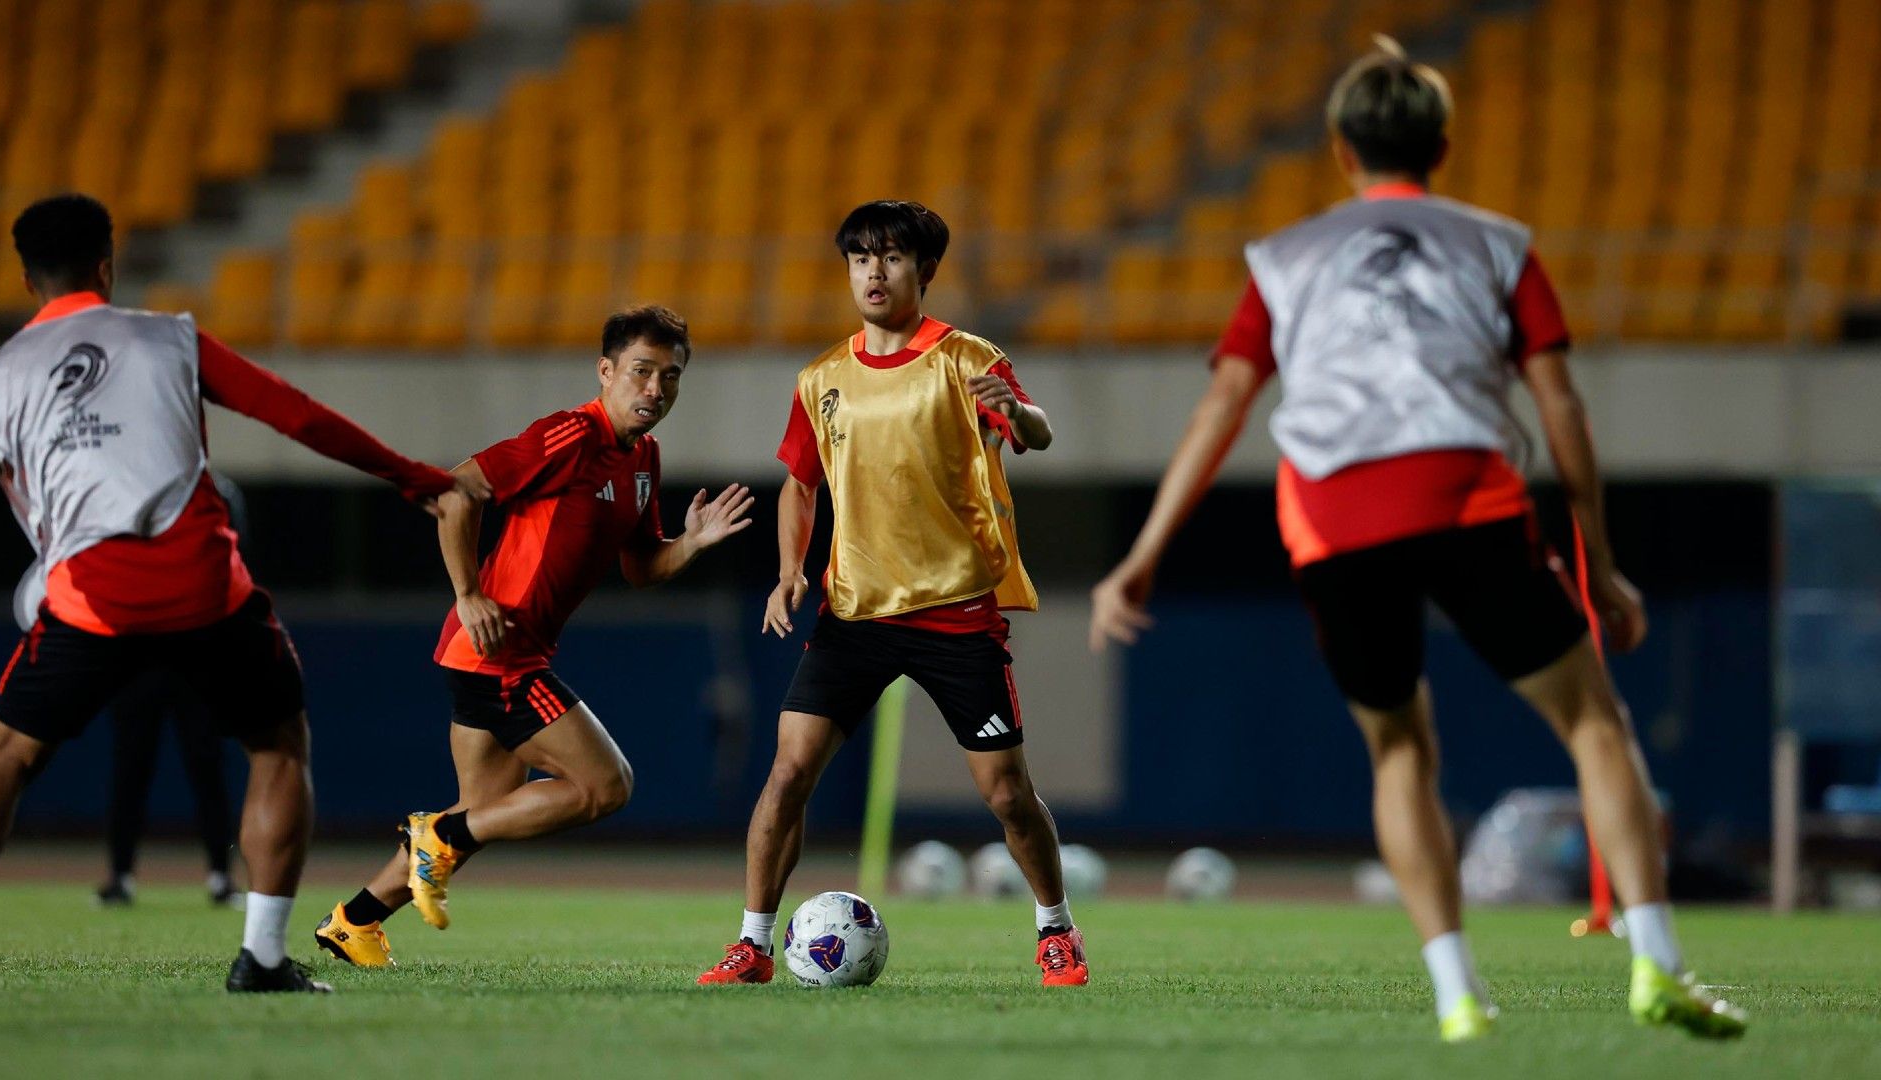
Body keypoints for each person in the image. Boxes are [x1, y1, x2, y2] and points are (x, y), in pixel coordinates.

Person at [1088, 40, 1745, 1042]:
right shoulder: (1499, 246)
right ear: (1440, 144)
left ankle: (1456, 996)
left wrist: (1142, 553)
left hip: (1334, 516)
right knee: (1594, 724)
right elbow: (1561, 407)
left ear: (1340, 151)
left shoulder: (1286, 258)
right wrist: (1599, 559)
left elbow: (1222, 405)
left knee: (1399, 751)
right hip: (1464, 494)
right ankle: (1657, 966)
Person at [0, 193, 462, 993]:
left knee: (7, 757)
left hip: (90, 601)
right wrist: (414, 479)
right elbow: (294, 416)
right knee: (278, 746)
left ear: (26, 280)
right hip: (204, 591)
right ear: (106, 263)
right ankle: (262, 957)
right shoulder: (170, 340)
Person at [696, 200, 1086, 989]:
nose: (873, 272)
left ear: (925, 271)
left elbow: (1037, 433)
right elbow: (799, 486)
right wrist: (789, 569)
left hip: (955, 612)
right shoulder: (821, 379)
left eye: (892, 257)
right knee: (788, 772)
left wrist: (1025, 414)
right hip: (854, 612)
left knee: (1007, 794)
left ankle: (1057, 931)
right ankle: (753, 946)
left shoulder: (964, 358)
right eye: (860, 258)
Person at [314, 305, 753, 967]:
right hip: (498, 655)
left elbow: (641, 568)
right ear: (605, 371)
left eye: (670, 376)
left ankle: (355, 921)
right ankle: (438, 833)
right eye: (641, 371)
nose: (655, 390)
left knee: (484, 812)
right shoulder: (569, 436)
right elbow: (458, 489)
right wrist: (468, 595)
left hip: (494, 656)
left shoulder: (644, 460)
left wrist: (690, 543)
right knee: (607, 786)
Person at [95, 472, 250, 910]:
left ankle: (221, 876)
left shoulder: (219, 490)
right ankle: (120, 876)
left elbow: (235, 561)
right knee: (130, 767)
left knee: (207, 767)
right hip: (139, 654)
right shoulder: (133, 486)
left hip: (196, 651)